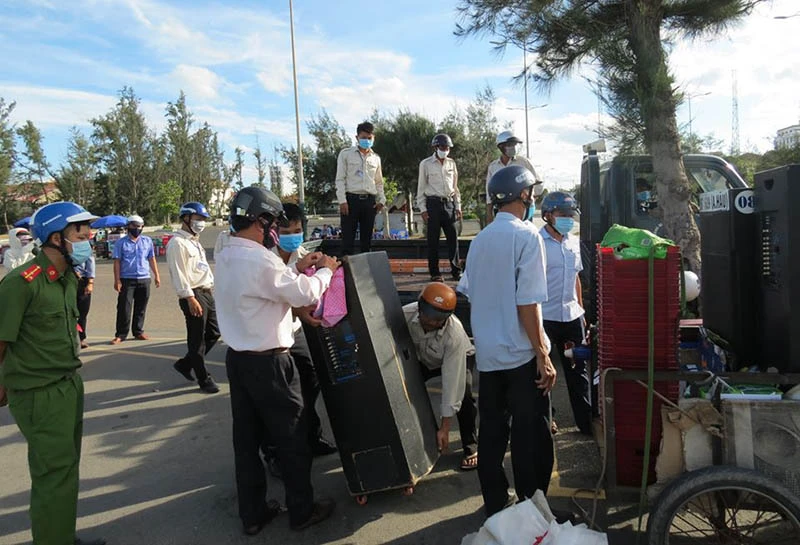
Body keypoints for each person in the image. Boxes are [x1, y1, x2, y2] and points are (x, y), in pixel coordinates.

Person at [215, 186, 338, 536]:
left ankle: (253, 514)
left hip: (239, 361)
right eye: (274, 224)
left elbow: (265, 289)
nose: (276, 231)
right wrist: (326, 270)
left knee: (246, 441)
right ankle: (302, 510)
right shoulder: (260, 260)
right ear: (262, 222)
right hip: (270, 365)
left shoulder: (226, 251)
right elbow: (303, 292)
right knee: (292, 438)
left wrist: (296, 266)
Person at [0, 201, 105, 545]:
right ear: (56, 238)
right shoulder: (21, 282)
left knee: (66, 470)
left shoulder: (66, 278)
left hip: (68, 385)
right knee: (53, 474)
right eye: (81, 233)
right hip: (39, 392)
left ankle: (61, 535)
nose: (88, 240)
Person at [462, 164, 557, 517]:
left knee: (492, 432)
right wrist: (542, 354)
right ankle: (533, 506)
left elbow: (468, 292)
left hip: (488, 355)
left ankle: (496, 503)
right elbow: (528, 303)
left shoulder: (479, 241)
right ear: (524, 195)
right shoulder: (527, 236)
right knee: (530, 433)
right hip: (520, 354)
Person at [262, 203, 338, 479]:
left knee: (310, 381)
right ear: (274, 232)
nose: (292, 236)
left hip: (295, 332)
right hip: (271, 337)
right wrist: (299, 308)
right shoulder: (265, 260)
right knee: (279, 398)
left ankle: (311, 436)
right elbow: (278, 297)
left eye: (297, 230)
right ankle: (274, 452)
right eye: (286, 232)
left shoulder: (305, 255)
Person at [403, 282, 478, 470]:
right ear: (420, 307)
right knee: (404, 389)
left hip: (457, 356)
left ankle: (471, 446)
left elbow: (452, 386)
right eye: (428, 314)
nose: (431, 321)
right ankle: (412, 442)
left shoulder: (454, 335)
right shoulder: (405, 315)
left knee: (464, 394)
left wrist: (445, 428)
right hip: (422, 358)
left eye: (439, 318)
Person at [539, 192, 592, 436]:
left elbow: (576, 278)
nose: (568, 219)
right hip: (545, 317)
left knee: (578, 370)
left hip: (572, 317)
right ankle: (547, 418)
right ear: (548, 215)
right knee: (543, 372)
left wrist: (581, 310)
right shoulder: (537, 243)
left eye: (571, 214)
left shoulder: (573, 242)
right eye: (563, 214)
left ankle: (586, 421)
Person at [166, 202, 220, 394]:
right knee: (197, 339)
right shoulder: (177, 243)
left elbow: (201, 268)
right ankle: (203, 379)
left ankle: (186, 364)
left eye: (203, 219)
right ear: (186, 218)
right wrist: (190, 298)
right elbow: (179, 274)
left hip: (206, 292)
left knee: (214, 332)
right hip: (193, 294)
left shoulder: (194, 242)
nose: (201, 223)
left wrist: (210, 288)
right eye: (198, 219)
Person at [335, 121, 386, 255]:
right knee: (347, 241)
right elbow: (340, 179)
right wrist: (342, 201)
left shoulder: (376, 158)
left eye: (369, 138)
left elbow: (379, 182)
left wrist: (382, 200)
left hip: (369, 201)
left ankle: (366, 268)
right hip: (350, 200)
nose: (366, 141)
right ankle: (346, 267)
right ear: (357, 137)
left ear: (373, 138)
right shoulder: (346, 154)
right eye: (363, 137)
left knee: (366, 241)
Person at [417, 133, 463, 281]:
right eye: (442, 147)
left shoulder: (451, 163)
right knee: (433, 241)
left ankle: (456, 271)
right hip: (433, 204)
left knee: (453, 239)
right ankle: (435, 273)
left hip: (449, 203)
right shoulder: (425, 164)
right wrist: (423, 209)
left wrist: (458, 206)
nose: (445, 150)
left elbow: (455, 187)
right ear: (436, 147)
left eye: (447, 148)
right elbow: (421, 188)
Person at [111, 215, 161, 344]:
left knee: (141, 307)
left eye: (139, 226)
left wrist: (157, 275)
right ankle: (121, 334)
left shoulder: (147, 241)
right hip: (127, 279)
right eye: (134, 225)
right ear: (128, 226)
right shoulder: (121, 243)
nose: (137, 228)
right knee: (124, 308)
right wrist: (117, 280)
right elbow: (117, 262)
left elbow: (151, 258)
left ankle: (138, 331)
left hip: (144, 278)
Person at [485, 131, 544, 223]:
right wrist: (489, 213)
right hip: (502, 210)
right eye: (510, 145)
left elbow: (538, 183)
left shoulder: (524, 162)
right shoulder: (493, 167)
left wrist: (529, 198)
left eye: (515, 144)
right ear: (501, 146)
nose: (513, 147)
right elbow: (489, 192)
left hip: (522, 209)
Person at [74, 252, 96, 349]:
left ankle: (81, 338)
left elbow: (90, 263)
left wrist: (90, 283)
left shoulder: (84, 246)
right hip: (66, 280)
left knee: (82, 312)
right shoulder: (63, 245)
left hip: (82, 281)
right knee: (67, 312)